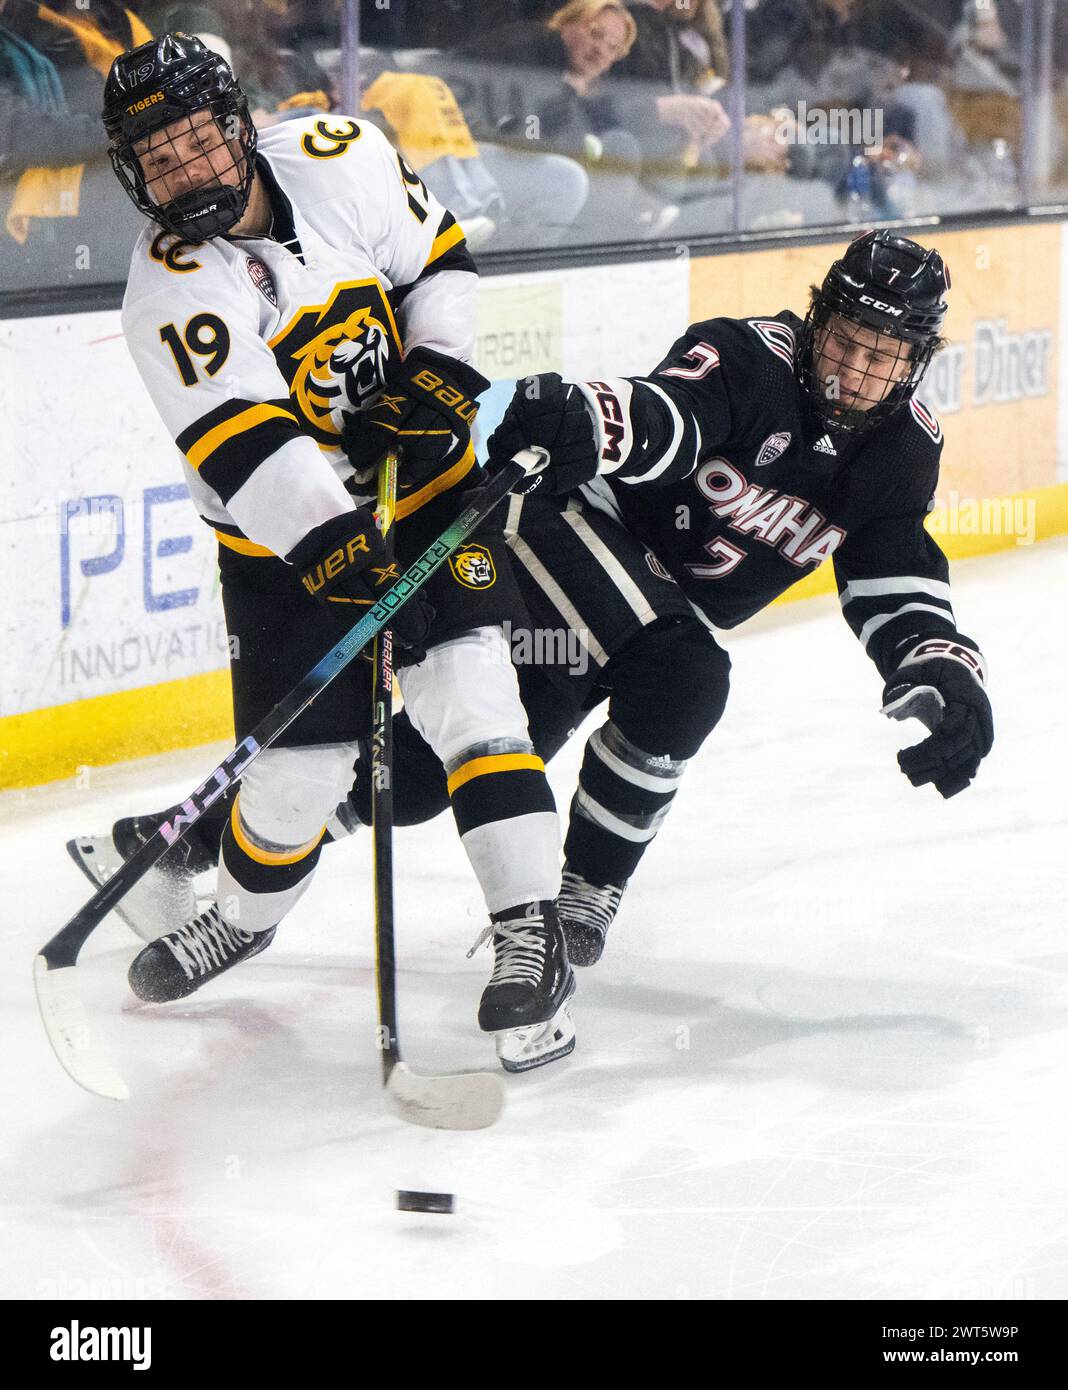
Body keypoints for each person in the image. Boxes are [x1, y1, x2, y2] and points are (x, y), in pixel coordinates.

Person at [74, 231, 995, 976]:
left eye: (883, 355)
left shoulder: (904, 450)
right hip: (568, 540)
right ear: (818, 318)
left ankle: (187, 842)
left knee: (425, 787)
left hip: (637, 620)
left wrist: (939, 666)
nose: (855, 371)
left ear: (917, 359)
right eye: (845, 340)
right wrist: (592, 420)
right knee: (685, 674)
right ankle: (583, 896)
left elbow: (891, 563)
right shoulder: (751, 354)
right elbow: (668, 415)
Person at [87, 32, 575, 1072]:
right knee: (293, 789)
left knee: (475, 702)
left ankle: (532, 932)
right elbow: (247, 446)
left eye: (197, 144)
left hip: (432, 500)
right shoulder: (168, 286)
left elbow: (439, 259)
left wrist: (441, 379)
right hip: (283, 550)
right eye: (156, 157)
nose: (184, 172)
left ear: (238, 126)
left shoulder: (340, 151)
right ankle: (245, 921)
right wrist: (345, 551)